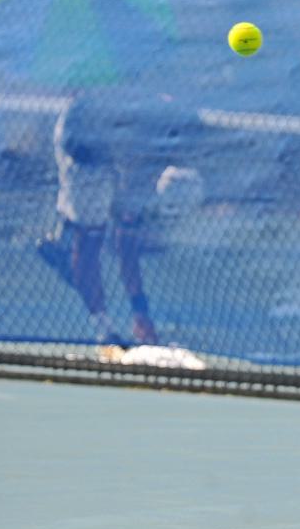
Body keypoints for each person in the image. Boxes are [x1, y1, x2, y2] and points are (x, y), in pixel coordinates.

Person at [36, 89, 199, 349]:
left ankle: (64, 245)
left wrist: (140, 312)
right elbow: (124, 244)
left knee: (110, 230)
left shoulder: (162, 151)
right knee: (89, 238)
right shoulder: (113, 152)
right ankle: (104, 330)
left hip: (116, 141)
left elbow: (127, 242)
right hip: (85, 146)